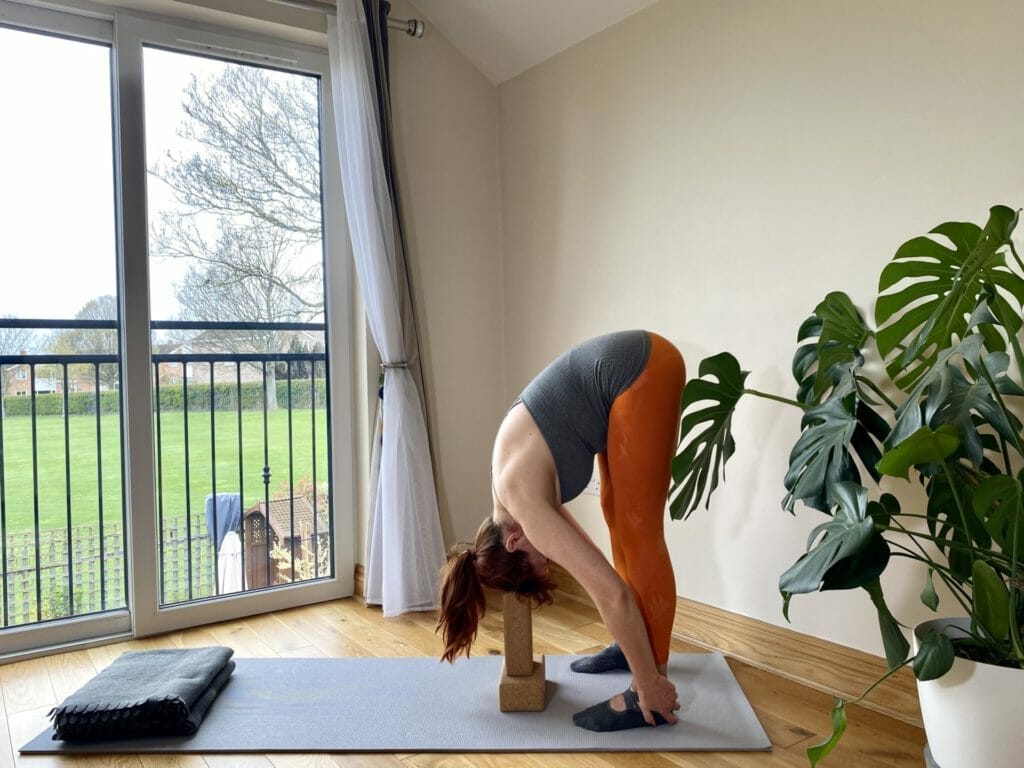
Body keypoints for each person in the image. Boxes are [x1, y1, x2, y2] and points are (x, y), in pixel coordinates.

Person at [436, 329, 686, 732]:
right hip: (626, 377)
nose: (548, 561)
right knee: (617, 517)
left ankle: (650, 689)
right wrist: (627, 627)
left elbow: (610, 592)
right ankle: (633, 648)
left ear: (514, 542)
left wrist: (645, 678)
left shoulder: (524, 504)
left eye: (540, 562)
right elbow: (597, 565)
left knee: (640, 533)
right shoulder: (509, 496)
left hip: (642, 370)